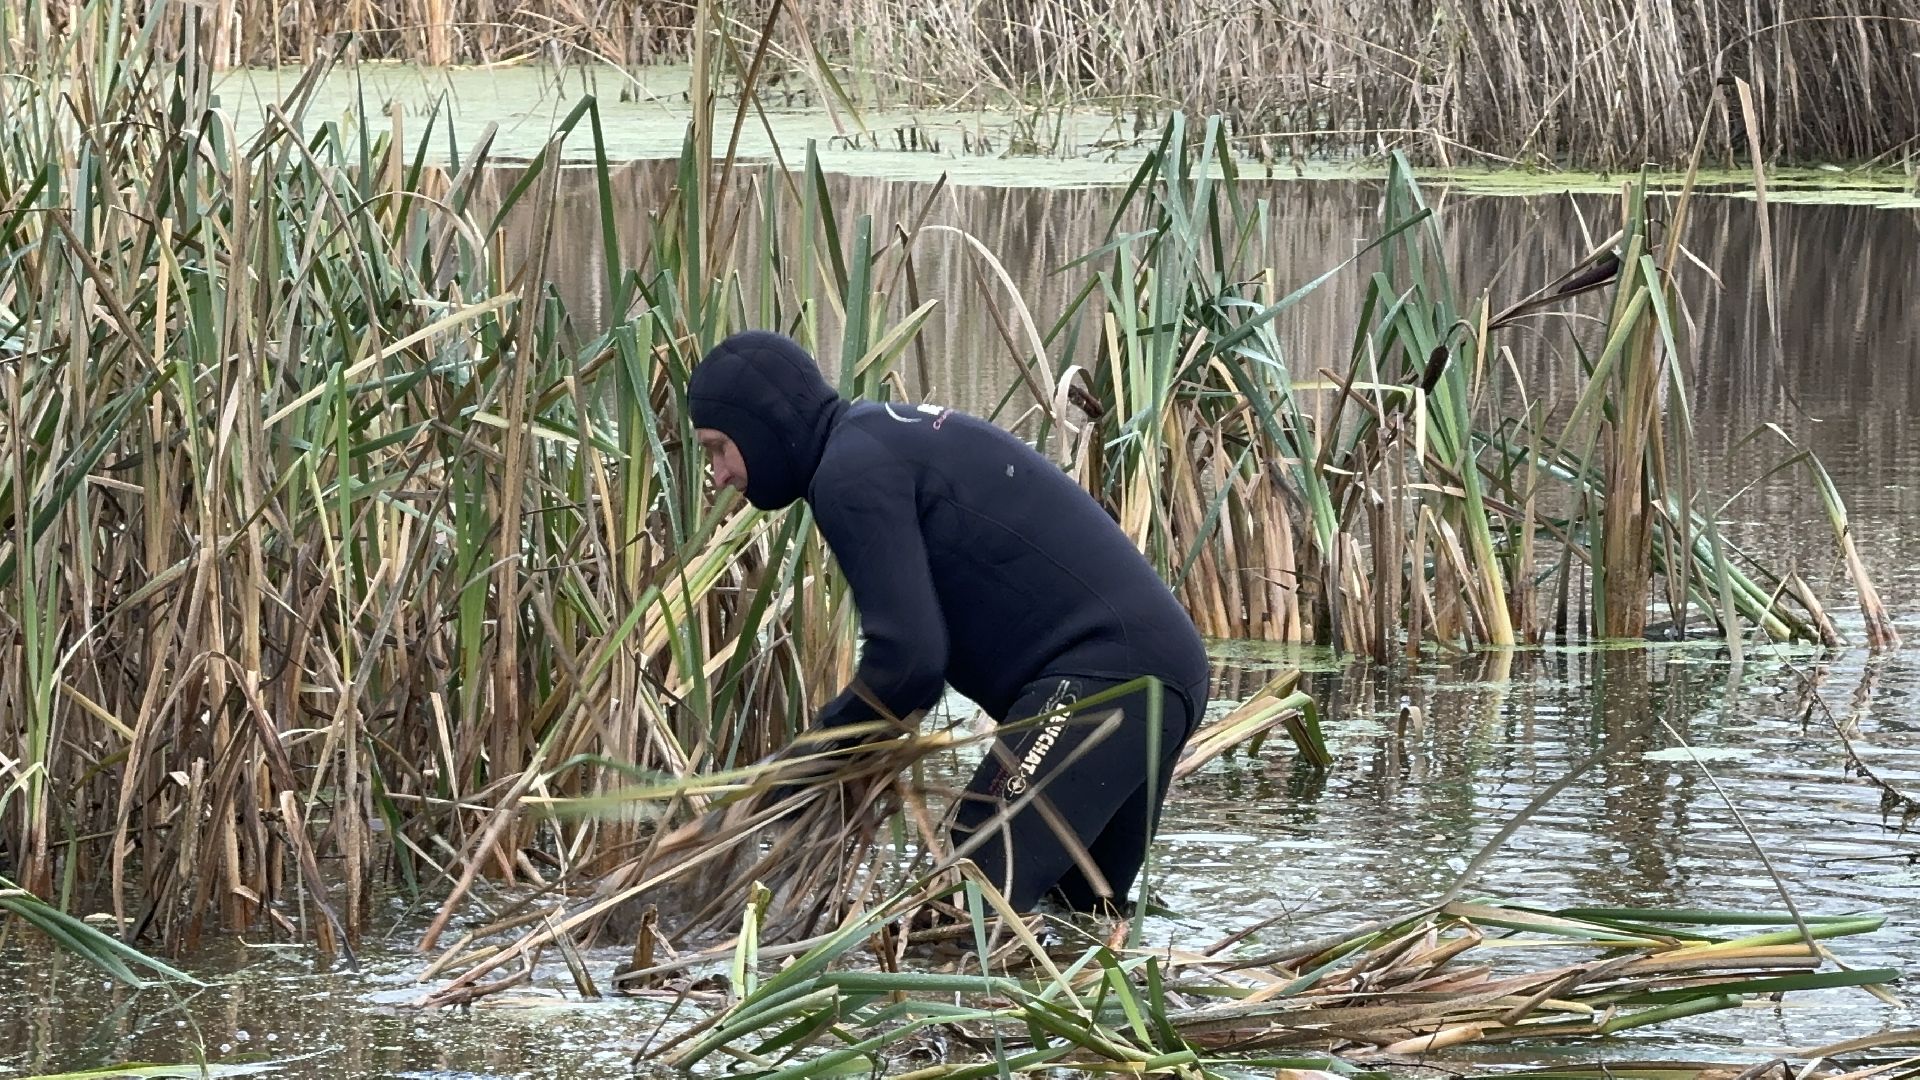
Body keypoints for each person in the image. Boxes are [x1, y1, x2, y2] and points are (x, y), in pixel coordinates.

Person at [687, 330, 1210, 913]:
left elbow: (909, 664)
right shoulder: (878, 441)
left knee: (967, 909)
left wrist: (789, 774)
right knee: (1080, 927)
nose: (718, 476)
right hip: (1165, 671)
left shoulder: (849, 473)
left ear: (763, 428)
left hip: (1105, 678)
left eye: (718, 447)